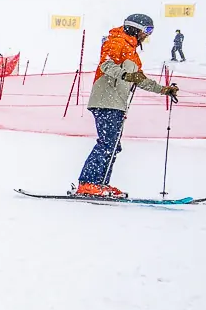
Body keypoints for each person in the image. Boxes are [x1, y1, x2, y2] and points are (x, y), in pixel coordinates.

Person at [74, 12, 179, 198]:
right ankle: (88, 183)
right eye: (146, 30)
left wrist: (164, 90)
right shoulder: (116, 41)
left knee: (113, 145)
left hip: (117, 103)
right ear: (135, 28)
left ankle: (100, 183)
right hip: (105, 100)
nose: (147, 35)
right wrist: (125, 75)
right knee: (107, 143)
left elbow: (140, 79)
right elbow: (106, 65)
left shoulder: (132, 53)